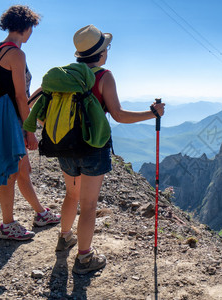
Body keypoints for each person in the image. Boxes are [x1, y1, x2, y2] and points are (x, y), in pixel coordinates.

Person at [53, 24, 165, 274]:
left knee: (72, 196)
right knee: (89, 204)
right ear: (101, 53)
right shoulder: (103, 76)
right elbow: (118, 115)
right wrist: (152, 113)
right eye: (107, 48)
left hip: (65, 145)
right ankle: (84, 258)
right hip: (93, 148)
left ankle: (64, 238)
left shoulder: (66, 76)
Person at [0, 5, 60, 241]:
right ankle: (7, 225)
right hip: (14, 120)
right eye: (32, 28)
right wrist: (29, 131)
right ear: (26, 27)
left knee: (22, 170)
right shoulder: (16, 54)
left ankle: (41, 213)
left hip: (4, 116)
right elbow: (20, 96)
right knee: (12, 172)